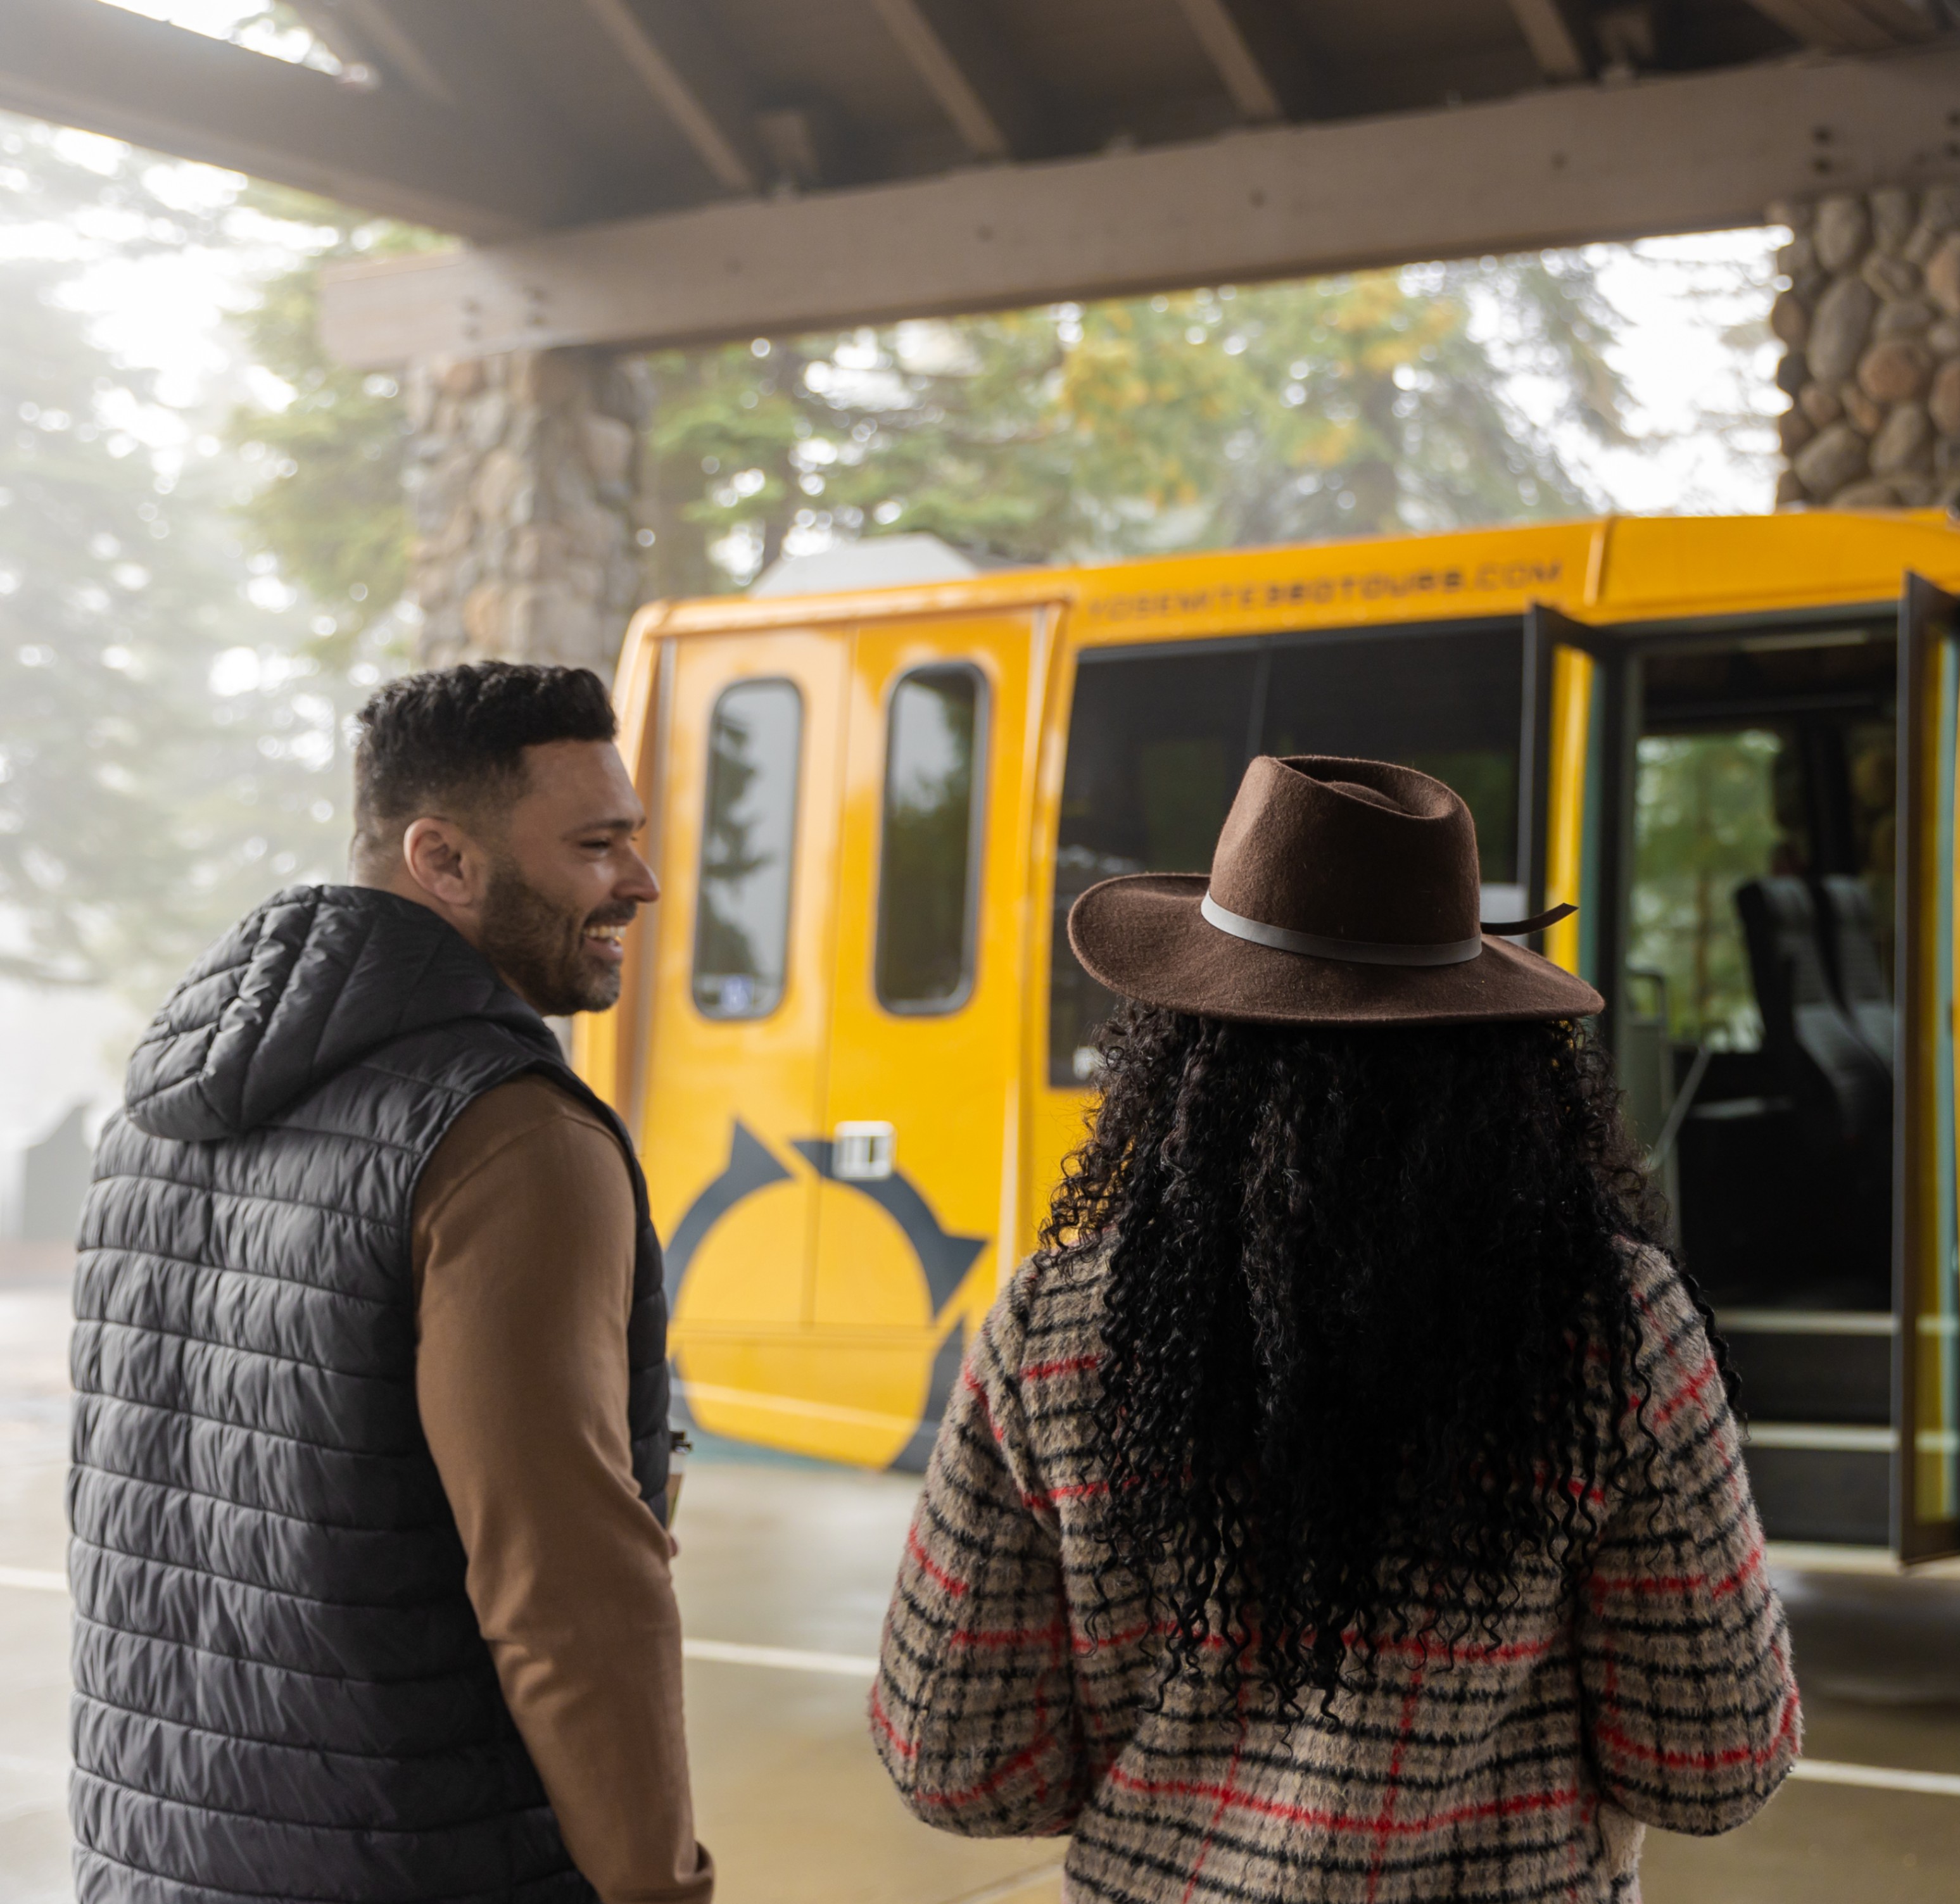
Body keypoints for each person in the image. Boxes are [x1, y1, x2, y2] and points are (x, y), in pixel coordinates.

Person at [873, 755, 1799, 1902]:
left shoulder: (1054, 1328)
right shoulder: (1615, 1329)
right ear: (1500, 1055)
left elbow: (959, 1762)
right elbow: (1710, 1764)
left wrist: (1171, 1799)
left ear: (1183, 1050)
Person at [68, 662, 714, 1904]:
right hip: (421, 1862)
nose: (639, 881)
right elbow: (566, 1597)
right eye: (596, 845)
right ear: (444, 860)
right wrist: (657, 1886)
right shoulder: (510, 1138)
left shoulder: (154, 1115)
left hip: (149, 1863)